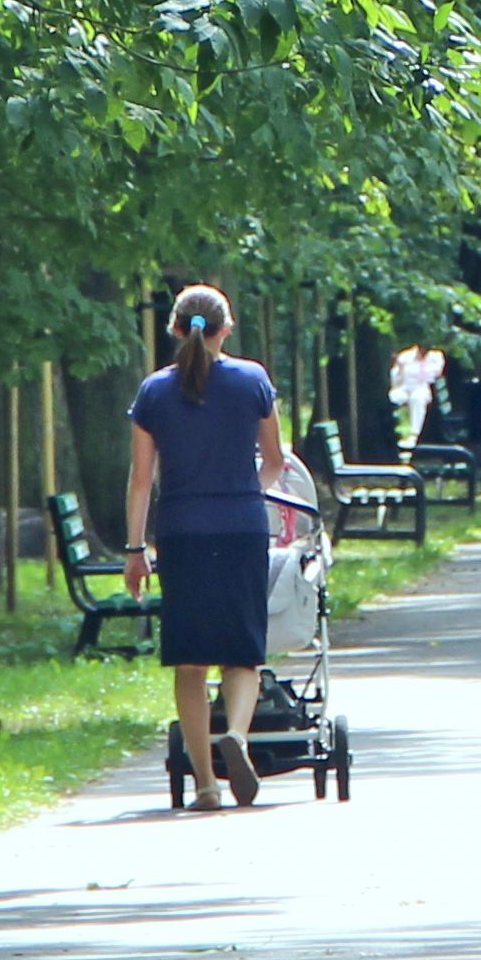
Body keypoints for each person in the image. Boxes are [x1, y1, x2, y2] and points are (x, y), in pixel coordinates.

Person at [125, 284, 302, 809]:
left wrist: (136, 549)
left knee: (190, 660)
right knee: (243, 651)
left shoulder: (154, 392)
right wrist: (255, 491)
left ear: (176, 329)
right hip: (242, 526)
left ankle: (204, 784)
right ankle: (238, 738)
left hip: (181, 531)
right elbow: (275, 460)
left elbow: (141, 480)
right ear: (227, 328)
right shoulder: (253, 381)